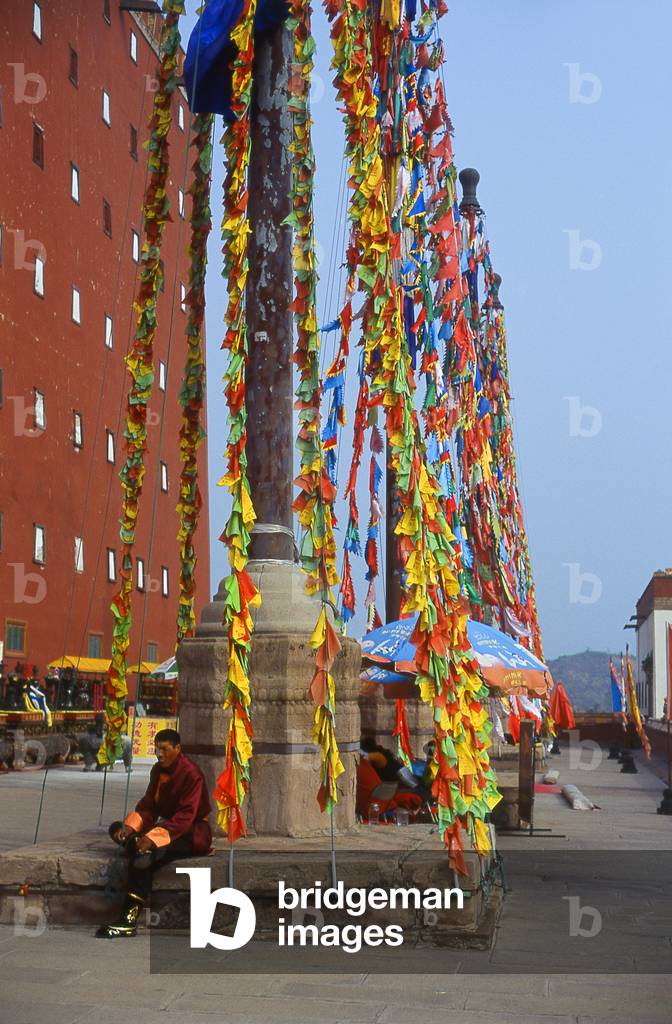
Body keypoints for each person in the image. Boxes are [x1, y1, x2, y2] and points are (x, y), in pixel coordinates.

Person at [96, 728, 212, 939]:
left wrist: (151, 839)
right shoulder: (158, 770)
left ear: (178, 748)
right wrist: (131, 827)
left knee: (143, 856)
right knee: (116, 828)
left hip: (190, 832)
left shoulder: (192, 774)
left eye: (164, 749)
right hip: (166, 828)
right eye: (157, 749)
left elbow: (186, 816)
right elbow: (149, 806)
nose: (159, 754)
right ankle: (133, 841)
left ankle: (128, 920)